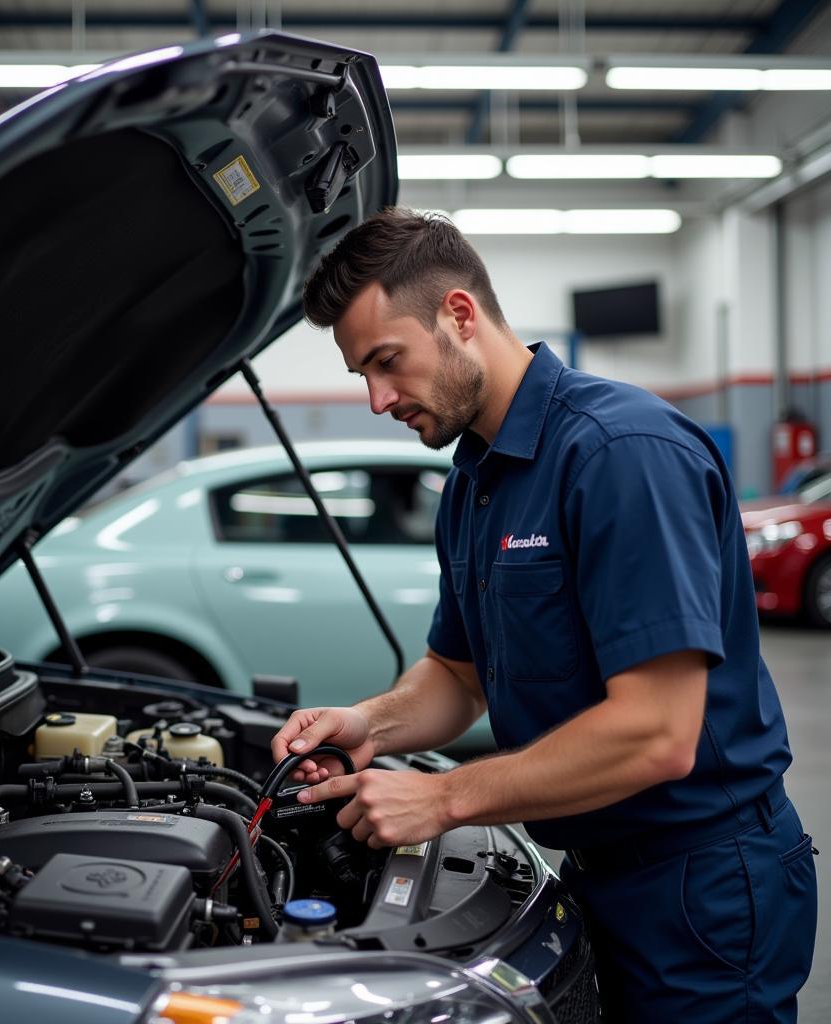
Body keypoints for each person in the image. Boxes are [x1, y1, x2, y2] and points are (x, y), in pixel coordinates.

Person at [271, 208, 817, 1022]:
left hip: (701, 886)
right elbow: (458, 676)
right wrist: (368, 725)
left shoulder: (620, 454)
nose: (380, 398)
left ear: (459, 315)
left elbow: (658, 733)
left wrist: (444, 797)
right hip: (597, 873)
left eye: (388, 362)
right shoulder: (475, 479)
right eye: (363, 376)